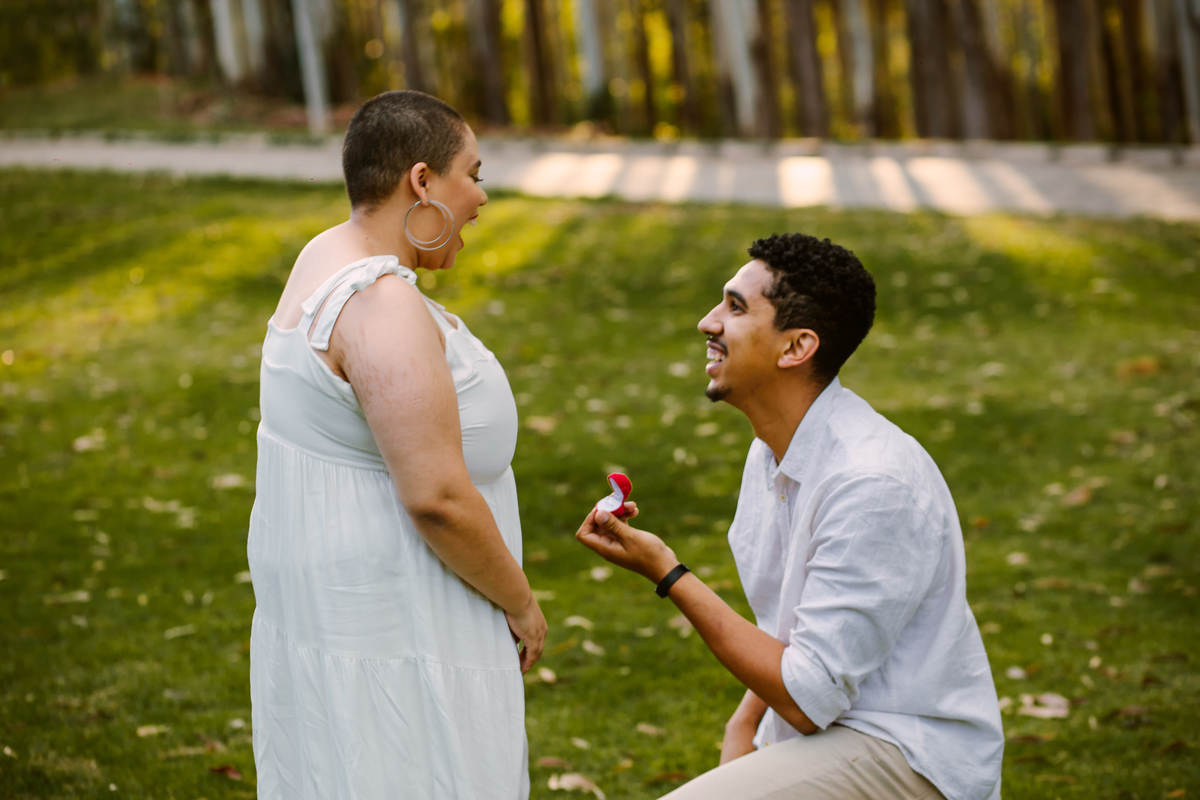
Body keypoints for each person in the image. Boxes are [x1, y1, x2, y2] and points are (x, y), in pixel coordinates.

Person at [576, 233, 1004, 800]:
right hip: (829, 735)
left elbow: (808, 698)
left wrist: (668, 573)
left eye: (735, 308)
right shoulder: (772, 452)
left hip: (909, 752)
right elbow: (797, 630)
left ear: (796, 347)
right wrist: (743, 725)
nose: (707, 322)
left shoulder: (872, 482)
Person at [247, 90, 546, 799]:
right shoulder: (379, 302)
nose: (481, 197)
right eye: (473, 174)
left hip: (354, 614)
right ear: (422, 180)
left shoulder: (325, 253)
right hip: (400, 629)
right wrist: (520, 601)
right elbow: (437, 496)